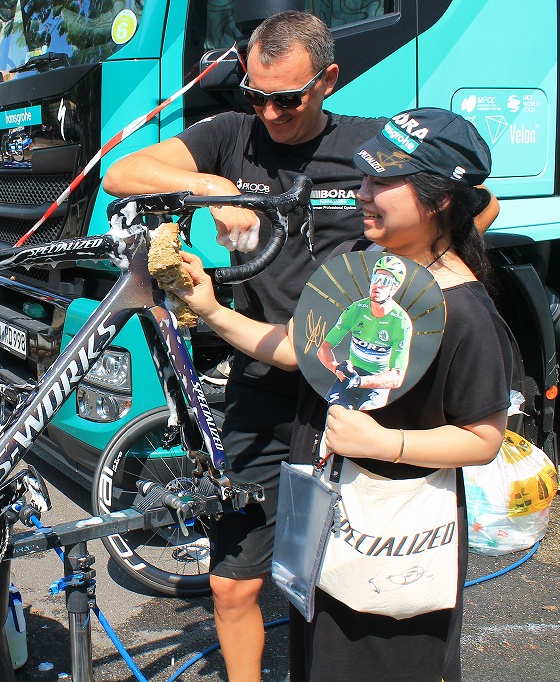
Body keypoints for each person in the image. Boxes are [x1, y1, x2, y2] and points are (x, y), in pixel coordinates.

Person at [168, 107, 510, 682]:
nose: (363, 194)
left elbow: (484, 439)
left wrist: (385, 442)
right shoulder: (368, 269)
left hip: (394, 541)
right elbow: (302, 348)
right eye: (364, 178)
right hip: (330, 526)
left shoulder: (466, 309)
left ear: (441, 200)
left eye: (383, 182)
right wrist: (212, 311)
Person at [103, 12, 385, 680]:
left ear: (328, 81)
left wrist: (394, 265)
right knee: (233, 581)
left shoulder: (372, 143)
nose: (270, 112)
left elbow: (475, 204)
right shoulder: (233, 136)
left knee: (347, 573)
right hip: (263, 376)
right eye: (255, 94)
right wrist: (213, 187)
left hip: (351, 385)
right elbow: (122, 172)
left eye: (286, 98)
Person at [317, 254, 412, 410]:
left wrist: (360, 381)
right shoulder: (356, 309)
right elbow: (324, 349)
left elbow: (396, 378)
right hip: (351, 374)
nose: (378, 285)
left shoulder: (401, 322)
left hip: (377, 381)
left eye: (386, 281)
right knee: (332, 413)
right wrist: (336, 368)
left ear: (394, 288)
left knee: (364, 418)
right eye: (376, 278)